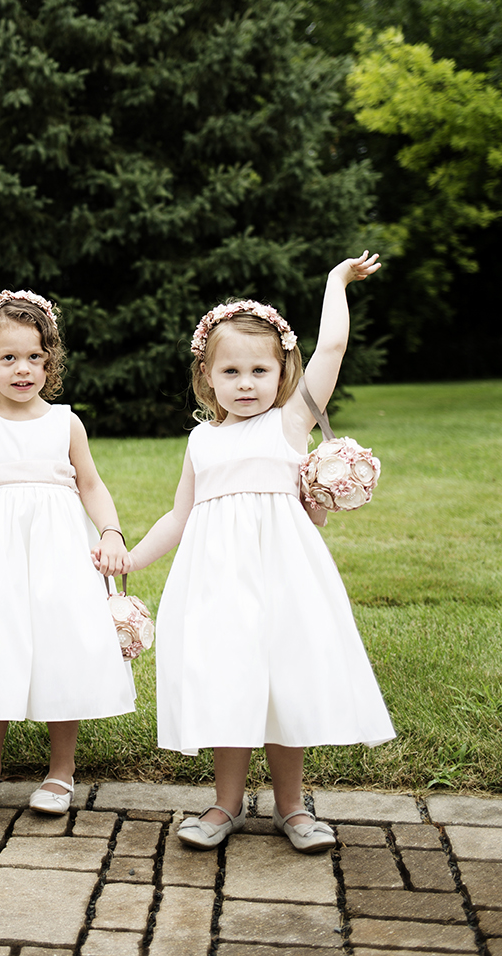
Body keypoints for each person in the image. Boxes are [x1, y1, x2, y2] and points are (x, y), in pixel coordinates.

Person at [127, 254, 394, 853]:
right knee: (229, 677)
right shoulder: (202, 438)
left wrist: (335, 282)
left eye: (259, 371)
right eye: (231, 372)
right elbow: (180, 513)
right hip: (218, 579)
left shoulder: (291, 423)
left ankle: (291, 806)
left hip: (284, 575)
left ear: (283, 374)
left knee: (285, 678)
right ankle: (225, 804)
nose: (246, 384)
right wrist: (134, 558)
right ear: (208, 378)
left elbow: (331, 350)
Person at [0, 289, 135, 815]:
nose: (22, 369)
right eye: (8, 358)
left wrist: (110, 532)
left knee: (61, 645)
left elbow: (90, 483)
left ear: (50, 360)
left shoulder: (65, 421)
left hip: (58, 548)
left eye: (34, 357)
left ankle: (62, 771)